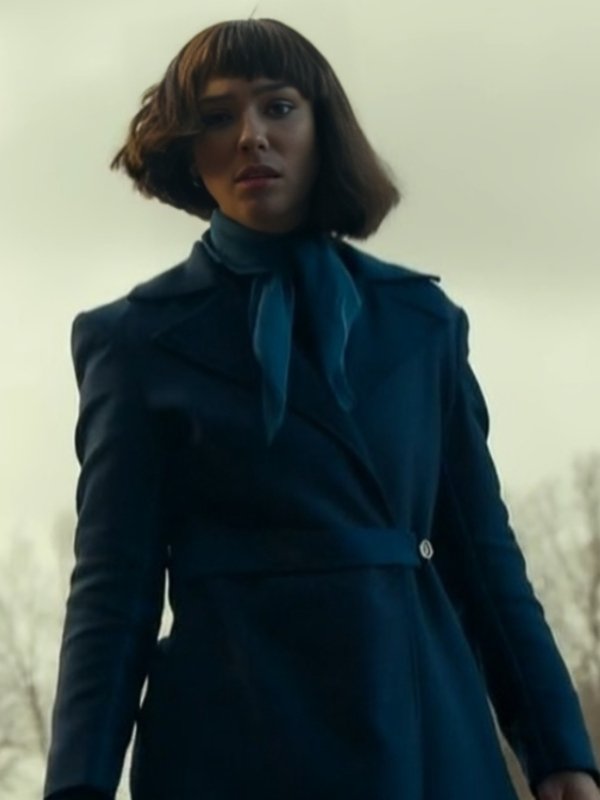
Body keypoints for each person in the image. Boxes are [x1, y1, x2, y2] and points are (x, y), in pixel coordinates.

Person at [42, 17, 599, 800]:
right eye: (217, 116)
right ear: (188, 148)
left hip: (420, 731)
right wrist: (78, 785)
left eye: (278, 107)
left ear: (322, 127)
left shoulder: (421, 323)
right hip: (232, 740)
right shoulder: (133, 342)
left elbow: (483, 557)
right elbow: (113, 588)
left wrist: (561, 754)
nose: (251, 136)